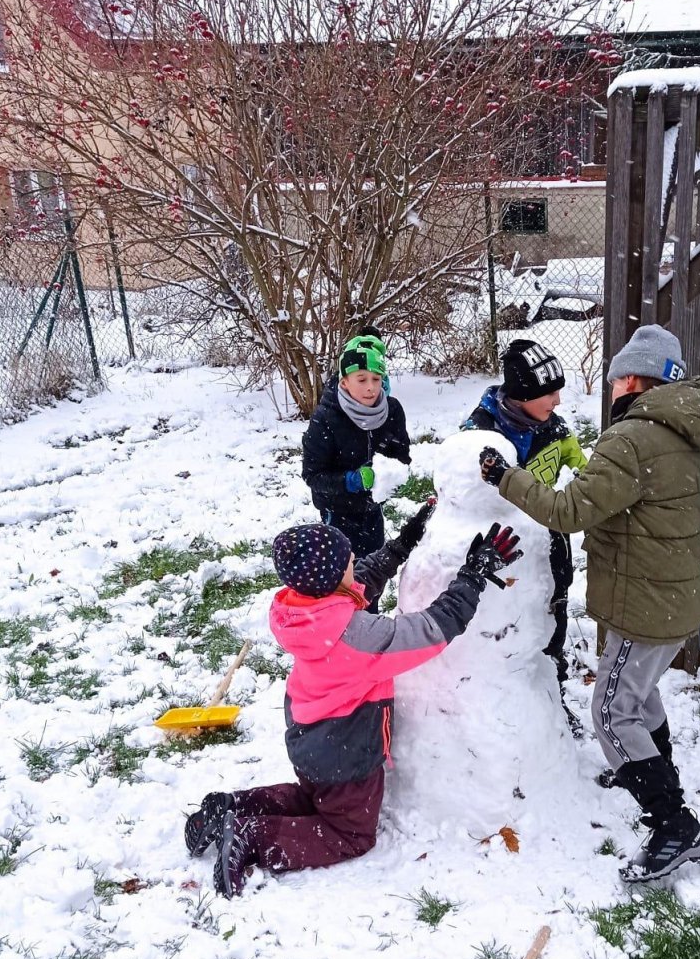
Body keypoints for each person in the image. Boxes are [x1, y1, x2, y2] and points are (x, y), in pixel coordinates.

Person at [479, 323, 700, 884]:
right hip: (676, 594)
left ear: (632, 379)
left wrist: (506, 478)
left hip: (646, 602)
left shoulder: (633, 438)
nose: (610, 390)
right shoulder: (684, 426)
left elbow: (567, 511)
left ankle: (673, 824)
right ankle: (652, 774)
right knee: (641, 692)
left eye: (614, 380)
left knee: (612, 711)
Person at [184, 506, 523, 896]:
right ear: (331, 577)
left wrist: (401, 546)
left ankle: (232, 807)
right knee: (350, 832)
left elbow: (357, 583)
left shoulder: (300, 608)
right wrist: (473, 576)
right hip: (346, 754)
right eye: (348, 560)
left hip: (312, 739)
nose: (355, 563)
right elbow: (431, 629)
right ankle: (252, 837)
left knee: (313, 799)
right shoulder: (360, 638)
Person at [461, 338, 587, 687]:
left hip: (551, 537)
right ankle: (508, 691)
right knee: (510, 621)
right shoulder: (481, 432)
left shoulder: (556, 429)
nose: (558, 401)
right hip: (503, 547)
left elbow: (583, 469)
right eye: (550, 393)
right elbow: (463, 488)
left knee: (554, 608)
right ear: (523, 394)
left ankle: (552, 689)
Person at [301, 328, 411, 607]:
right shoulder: (326, 418)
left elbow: (402, 455)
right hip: (337, 512)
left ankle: (369, 618)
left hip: (371, 510)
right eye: (361, 379)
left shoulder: (391, 411)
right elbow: (313, 475)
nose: (370, 387)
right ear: (344, 381)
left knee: (373, 574)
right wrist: (352, 480)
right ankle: (343, 621)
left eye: (376, 379)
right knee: (344, 578)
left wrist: (392, 472)